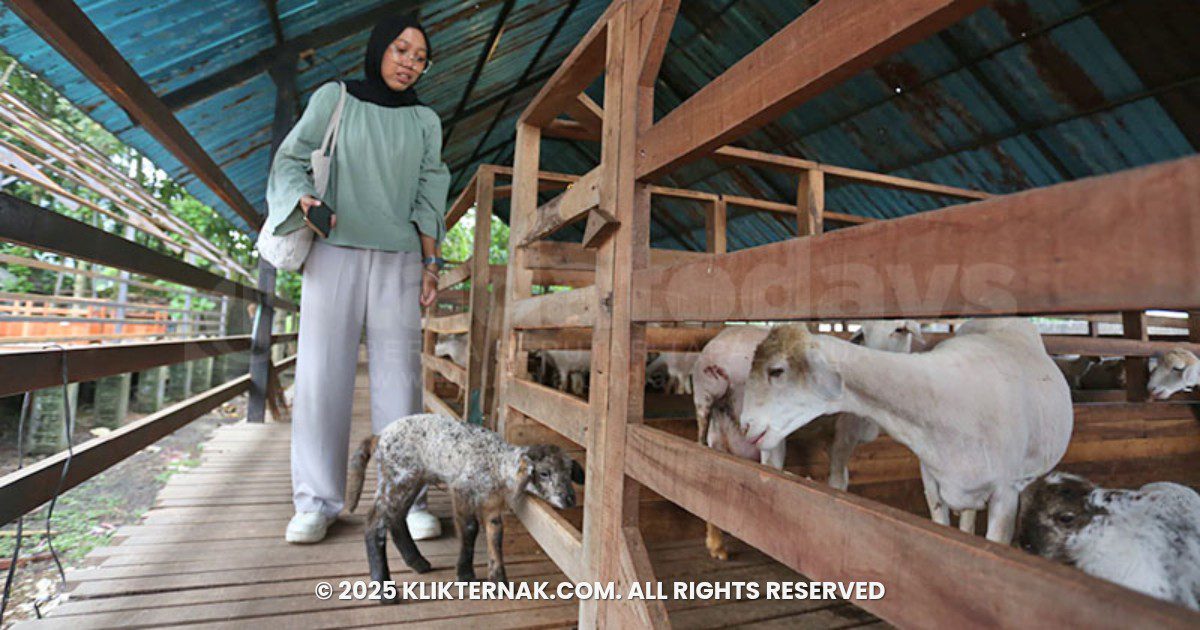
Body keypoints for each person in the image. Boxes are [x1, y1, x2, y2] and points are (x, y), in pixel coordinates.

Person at [265, 14, 449, 544]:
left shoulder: (425, 122)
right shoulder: (335, 98)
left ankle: (405, 500)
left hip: (400, 260)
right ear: (378, 48)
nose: (409, 63)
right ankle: (317, 502)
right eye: (401, 49)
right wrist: (302, 198)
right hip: (334, 254)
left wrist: (432, 264)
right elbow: (292, 158)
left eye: (419, 57)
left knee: (401, 384)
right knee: (322, 378)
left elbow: (428, 196)